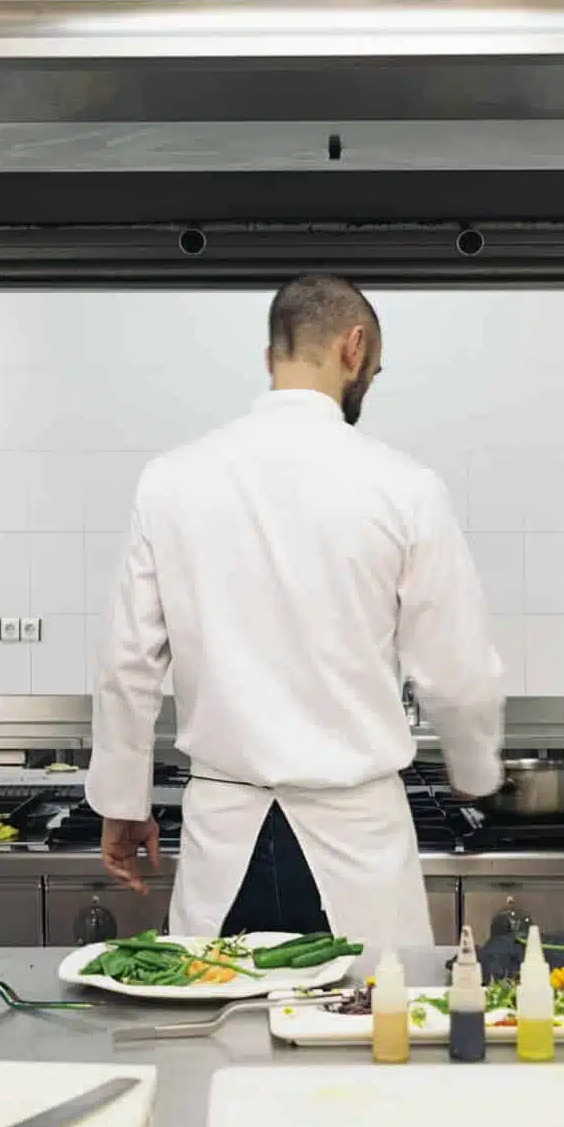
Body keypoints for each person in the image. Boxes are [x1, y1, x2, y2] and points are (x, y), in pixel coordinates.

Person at [86, 274, 505, 953]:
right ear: (354, 346)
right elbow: (456, 670)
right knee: (364, 1042)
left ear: (270, 357)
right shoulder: (406, 487)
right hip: (357, 847)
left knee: (219, 1045)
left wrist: (122, 801)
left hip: (225, 846)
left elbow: (128, 664)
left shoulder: (170, 481)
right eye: (373, 368)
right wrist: (478, 773)